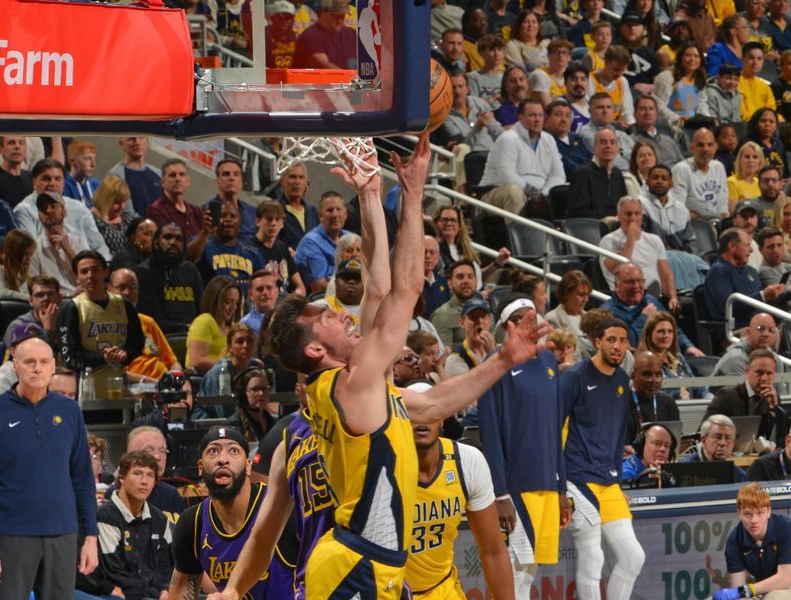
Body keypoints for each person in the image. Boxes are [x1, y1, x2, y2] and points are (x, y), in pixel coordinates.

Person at [209, 134, 551, 600]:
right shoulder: (355, 382)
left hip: (367, 564)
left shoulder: (358, 389)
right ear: (314, 351)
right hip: (356, 565)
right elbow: (405, 289)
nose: (344, 317)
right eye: (330, 317)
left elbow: (433, 398)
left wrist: (371, 195)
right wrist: (411, 198)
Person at [478, 296, 570, 595]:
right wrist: (500, 492)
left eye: (535, 316)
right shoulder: (496, 362)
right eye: (523, 318)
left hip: (547, 482)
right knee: (514, 575)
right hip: (517, 485)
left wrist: (562, 488)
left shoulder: (547, 359)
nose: (533, 321)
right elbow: (489, 432)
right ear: (510, 325)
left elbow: (555, 427)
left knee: (529, 572)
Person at [0, 336, 98, 599]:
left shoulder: (70, 410)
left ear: (53, 366)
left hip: (62, 534)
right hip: (9, 535)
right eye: (30, 362)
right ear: (15, 366)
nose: (37, 368)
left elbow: (83, 479)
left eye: (43, 362)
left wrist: (91, 538)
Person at [561, 318, 646, 600]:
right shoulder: (574, 378)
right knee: (592, 557)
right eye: (611, 339)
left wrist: (619, 483)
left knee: (633, 556)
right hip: (576, 478)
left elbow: (617, 436)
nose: (618, 346)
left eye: (623, 341)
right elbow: (553, 430)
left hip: (608, 481)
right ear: (597, 342)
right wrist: (560, 485)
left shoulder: (623, 380)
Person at [168, 426, 294, 600]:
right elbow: (181, 589)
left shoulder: (277, 505)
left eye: (233, 451)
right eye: (213, 451)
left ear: (248, 466)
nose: (222, 459)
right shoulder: (193, 522)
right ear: (200, 467)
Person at [406, 414, 513, 599]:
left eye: (428, 411)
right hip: (389, 590)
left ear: (441, 419)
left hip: (441, 588)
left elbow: (493, 549)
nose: (422, 419)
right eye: (415, 412)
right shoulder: (379, 463)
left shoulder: (466, 461)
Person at [79, 451, 173, 600]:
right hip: (123, 595)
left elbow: (166, 566)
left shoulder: (160, 519)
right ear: (121, 477)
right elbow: (114, 572)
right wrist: (155, 593)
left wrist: (165, 590)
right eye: (137, 473)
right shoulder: (105, 517)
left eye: (150, 475)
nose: (144, 481)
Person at [58, 250, 145, 398]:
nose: (90, 276)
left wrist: (126, 354)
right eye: (84, 271)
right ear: (77, 278)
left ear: (106, 272)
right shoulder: (71, 307)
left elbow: (137, 343)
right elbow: (69, 356)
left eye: (95, 269)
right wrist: (102, 358)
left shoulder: (125, 305)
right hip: (84, 391)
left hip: (119, 387)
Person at [479, 98, 566, 216]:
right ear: (520, 118)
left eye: (540, 115)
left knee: (565, 192)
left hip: (538, 193)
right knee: (514, 192)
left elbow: (558, 175)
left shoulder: (548, 139)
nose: (537, 120)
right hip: (495, 193)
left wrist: (544, 194)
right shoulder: (508, 138)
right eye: (532, 115)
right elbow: (507, 176)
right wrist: (533, 192)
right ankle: (520, 234)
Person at [15, 158, 111, 260]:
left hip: (85, 266)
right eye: (46, 179)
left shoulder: (79, 207)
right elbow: (31, 251)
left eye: (57, 179)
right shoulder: (24, 210)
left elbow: (99, 245)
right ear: (34, 182)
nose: (52, 183)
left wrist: (104, 266)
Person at [713, 483, 791, 599]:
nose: (754, 520)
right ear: (739, 514)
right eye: (747, 514)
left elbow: (784, 580)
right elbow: (739, 590)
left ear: (768, 512)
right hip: (761, 589)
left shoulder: (787, 528)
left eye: (760, 513)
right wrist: (740, 593)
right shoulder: (734, 540)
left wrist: (747, 590)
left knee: (775, 597)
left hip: (789, 586)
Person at [601, 262, 702, 355]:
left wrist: (688, 346)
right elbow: (625, 343)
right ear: (617, 286)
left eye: (639, 281)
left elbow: (672, 328)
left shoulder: (651, 301)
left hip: (667, 358)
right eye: (630, 282)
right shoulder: (608, 312)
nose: (636, 286)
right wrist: (644, 317)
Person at [108, 269, 186, 387]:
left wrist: (180, 381)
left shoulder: (147, 322)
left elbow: (172, 362)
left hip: (164, 386)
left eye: (133, 287)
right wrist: (155, 383)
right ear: (109, 290)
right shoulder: (105, 326)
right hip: (136, 387)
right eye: (121, 287)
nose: (127, 292)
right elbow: (113, 373)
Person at [704, 228, 791, 326]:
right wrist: (763, 295)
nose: (751, 250)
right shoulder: (718, 272)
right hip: (738, 329)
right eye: (747, 245)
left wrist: (789, 293)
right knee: (789, 327)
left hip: (761, 327)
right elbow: (728, 308)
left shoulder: (751, 271)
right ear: (732, 246)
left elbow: (766, 305)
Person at [599, 196, 679, 306]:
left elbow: (666, 275)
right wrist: (631, 239)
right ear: (619, 216)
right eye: (628, 214)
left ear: (642, 216)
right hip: (624, 299)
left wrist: (673, 298)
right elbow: (614, 268)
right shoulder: (608, 241)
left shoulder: (654, 240)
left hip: (654, 297)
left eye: (637, 214)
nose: (633, 218)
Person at [103, 426, 188, 523]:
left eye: (162, 450)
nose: (157, 457)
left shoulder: (171, 494)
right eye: (148, 450)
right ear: (130, 456)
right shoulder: (115, 495)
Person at [706, 348, 788, 445]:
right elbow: (704, 430)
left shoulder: (773, 399)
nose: (764, 378)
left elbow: (778, 440)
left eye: (769, 373)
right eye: (759, 373)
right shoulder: (726, 395)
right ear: (747, 371)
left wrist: (774, 409)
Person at [135, 223, 204, 335]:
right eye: (167, 237)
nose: (173, 242)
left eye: (178, 239)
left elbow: (202, 310)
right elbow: (153, 321)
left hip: (193, 336)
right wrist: (188, 327)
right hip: (162, 338)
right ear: (156, 243)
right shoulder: (143, 273)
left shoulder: (190, 270)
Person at [433, 205, 510, 290]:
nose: (449, 223)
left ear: (459, 225)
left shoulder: (465, 248)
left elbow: (479, 277)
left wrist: (498, 263)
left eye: (453, 220)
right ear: (436, 223)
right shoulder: (433, 250)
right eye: (444, 220)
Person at [637, 312, 711, 400]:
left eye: (670, 331)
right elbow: (650, 397)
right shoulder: (645, 362)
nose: (666, 336)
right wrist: (677, 396)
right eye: (661, 331)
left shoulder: (679, 358)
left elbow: (696, 387)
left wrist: (709, 397)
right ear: (649, 334)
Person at [194, 322, 261, 419]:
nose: (245, 345)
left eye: (250, 340)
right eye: (240, 341)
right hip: (209, 424)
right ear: (230, 347)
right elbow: (222, 411)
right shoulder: (219, 372)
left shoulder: (256, 368)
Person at [28, 192, 89, 296]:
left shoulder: (79, 242)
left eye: (53, 206)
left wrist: (68, 250)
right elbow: (34, 288)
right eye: (43, 208)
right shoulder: (33, 248)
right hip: (53, 303)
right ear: (39, 215)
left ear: (64, 212)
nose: (48, 210)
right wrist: (69, 295)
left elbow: (88, 277)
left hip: (82, 299)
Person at [197, 202, 265, 293]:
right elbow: (189, 259)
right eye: (223, 215)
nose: (228, 219)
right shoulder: (204, 246)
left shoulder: (252, 252)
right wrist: (205, 233)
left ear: (239, 221)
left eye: (233, 216)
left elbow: (263, 283)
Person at [566, 128, 628, 218]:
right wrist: (608, 219)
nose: (608, 146)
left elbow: (623, 207)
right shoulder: (583, 173)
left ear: (617, 149)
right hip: (591, 228)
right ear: (594, 147)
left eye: (612, 142)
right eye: (603, 142)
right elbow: (578, 212)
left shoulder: (617, 174)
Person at [249, 200, 306, 296]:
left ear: (282, 224)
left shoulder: (282, 247)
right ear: (257, 221)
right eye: (269, 219)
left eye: (277, 219)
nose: (273, 223)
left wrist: (290, 303)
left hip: (286, 303)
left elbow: (300, 288)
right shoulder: (248, 249)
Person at [670, 127, 730, 220]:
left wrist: (724, 218)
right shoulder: (681, 169)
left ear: (715, 147)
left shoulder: (719, 167)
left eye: (710, 145)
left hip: (718, 221)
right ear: (691, 148)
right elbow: (678, 208)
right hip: (693, 223)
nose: (706, 149)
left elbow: (723, 203)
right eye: (700, 145)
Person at [294, 191, 348, 293]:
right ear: (320, 216)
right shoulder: (310, 242)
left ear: (345, 214)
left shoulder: (351, 239)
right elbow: (319, 287)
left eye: (338, 209)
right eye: (329, 210)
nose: (335, 214)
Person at [186, 275, 242, 374]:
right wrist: (230, 366)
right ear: (214, 301)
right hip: (205, 379)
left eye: (236, 303)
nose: (233, 308)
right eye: (227, 302)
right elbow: (196, 361)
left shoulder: (233, 327)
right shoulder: (205, 321)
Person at [651, 42, 710, 132]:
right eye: (688, 55)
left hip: (693, 126)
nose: (692, 59)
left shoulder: (699, 80)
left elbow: (702, 105)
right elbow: (658, 105)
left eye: (696, 56)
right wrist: (678, 119)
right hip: (670, 126)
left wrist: (707, 121)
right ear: (680, 58)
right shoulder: (667, 77)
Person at [625, 351, 681, 443]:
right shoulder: (622, 404)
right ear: (633, 376)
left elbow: (675, 441)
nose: (653, 380)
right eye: (647, 374)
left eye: (658, 375)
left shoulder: (668, 403)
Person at [640, 164, 698, 253]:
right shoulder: (640, 205)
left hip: (680, 257)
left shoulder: (681, 209)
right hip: (651, 256)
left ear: (671, 183)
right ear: (647, 181)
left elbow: (690, 241)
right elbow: (640, 239)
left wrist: (690, 259)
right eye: (655, 178)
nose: (659, 181)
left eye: (664, 178)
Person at [146, 159, 205, 242]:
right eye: (172, 175)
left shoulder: (197, 211)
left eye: (182, 174)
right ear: (163, 182)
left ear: (188, 181)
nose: (177, 179)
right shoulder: (155, 211)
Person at [3, 274, 62, 355]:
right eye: (39, 295)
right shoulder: (18, 327)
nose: (45, 298)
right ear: (31, 301)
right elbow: (33, 361)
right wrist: (48, 330)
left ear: (59, 298)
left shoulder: (66, 320)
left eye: (50, 294)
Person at [680, 414, 749, 482]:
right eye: (717, 437)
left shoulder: (739, 476)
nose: (723, 443)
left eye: (728, 438)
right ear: (703, 440)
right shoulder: (685, 467)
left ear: (733, 443)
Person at [105, 136, 162, 217]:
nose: (137, 143)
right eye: (131, 139)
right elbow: (127, 213)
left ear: (147, 141)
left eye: (141, 138)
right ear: (121, 143)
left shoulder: (158, 173)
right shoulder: (116, 175)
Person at [579, 93, 635, 172]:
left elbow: (638, 157)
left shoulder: (622, 135)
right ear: (590, 111)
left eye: (609, 107)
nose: (605, 111)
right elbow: (609, 161)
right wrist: (633, 167)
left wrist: (621, 153)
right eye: (600, 107)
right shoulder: (586, 133)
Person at [293, 0, 355, 69]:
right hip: (320, 79)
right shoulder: (311, 35)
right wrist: (352, 78)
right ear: (324, 13)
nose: (340, 21)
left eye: (342, 16)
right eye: (336, 16)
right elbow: (323, 65)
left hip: (349, 78)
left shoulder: (351, 34)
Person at [206, 158, 258, 241]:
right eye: (226, 174)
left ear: (241, 181)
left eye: (236, 174)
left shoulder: (253, 212)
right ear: (217, 181)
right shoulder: (206, 211)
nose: (231, 178)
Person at [431, 258, 480, 346]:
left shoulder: (483, 310)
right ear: (450, 284)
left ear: (476, 281)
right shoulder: (442, 315)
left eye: (470, 276)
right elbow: (445, 356)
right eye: (460, 277)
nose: (466, 281)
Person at [444, 297, 495, 378]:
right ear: (462, 322)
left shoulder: (502, 349)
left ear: (490, 321)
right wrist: (493, 356)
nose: (480, 321)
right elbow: (478, 387)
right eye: (474, 317)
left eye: (483, 316)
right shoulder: (455, 360)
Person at [587, 45, 635, 128]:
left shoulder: (622, 81)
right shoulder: (591, 80)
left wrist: (630, 126)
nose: (619, 74)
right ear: (606, 62)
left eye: (622, 70)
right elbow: (588, 112)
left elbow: (627, 112)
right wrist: (613, 123)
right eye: (616, 70)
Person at [630, 95, 685, 168]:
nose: (648, 113)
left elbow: (684, 164)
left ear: (656, 114)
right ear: (635, 115)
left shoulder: (669, 140)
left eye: (651, 109)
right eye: (643, 109)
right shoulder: (632, 141)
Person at [544, 269, 592, 349]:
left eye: (587, 295)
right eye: (581, 295)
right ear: (566, 294)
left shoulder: (589, 317)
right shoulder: (552, 319)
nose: (586, 300)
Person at [545, 99, 592, 179]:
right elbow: (568, 167)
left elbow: (593, 160)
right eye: (558, 115)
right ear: (546, 119)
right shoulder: (544, 140)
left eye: (568, 116)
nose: (564, 119)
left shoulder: (578, 138)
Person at [276, 162, 318, 251]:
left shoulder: (313, 211)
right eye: (292, 177)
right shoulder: (275, 211)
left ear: (306, 182)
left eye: (301, 177)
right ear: (282, 181)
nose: (297, 182)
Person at [229, 366, 277, 444]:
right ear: (242, 393)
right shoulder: (232, 425)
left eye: (265, 389)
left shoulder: (275, 422)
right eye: (255, 389)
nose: (261, 393)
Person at [90, 176, 131, 256]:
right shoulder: (92, 221)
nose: (122, 207)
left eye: (124, 202)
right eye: (117, 202)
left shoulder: (127, 219)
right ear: (105, 199)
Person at [747, 107, 790, 178]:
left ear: (776, 126)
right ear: (755, 124)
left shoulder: (778, 144)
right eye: (763, 121)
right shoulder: (749, 144)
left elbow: (786, 173)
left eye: (771, 121)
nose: (767, 124)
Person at [528, 39, 573, 107]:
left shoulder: (572, 77)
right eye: (556, 52)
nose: (560, 55)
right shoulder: (539, 75)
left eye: (564, 52)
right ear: (548, 55)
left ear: (569, 57)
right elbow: (549, 108)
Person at [739, 41, 777, 121]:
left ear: (763, 61)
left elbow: (771, 110)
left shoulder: (765, 86)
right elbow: (740, 113)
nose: (755, 62)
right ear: (742, 59)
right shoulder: (735, 83)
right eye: (751, 58)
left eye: (759, 58)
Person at [467, 34, 507, 109]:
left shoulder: (506, 77)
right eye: (492, 50)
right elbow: (473, 106)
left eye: (499, 50)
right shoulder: (473, 77)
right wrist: (494, 98)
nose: (496, 54)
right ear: (481, 53)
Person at [0, 229, 33, 302]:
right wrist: (29, 298)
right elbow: (0, 293)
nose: (29, 258)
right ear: (13, 253)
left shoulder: (22, 274)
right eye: (26, 254)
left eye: (31, 254)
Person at [0, 135, 32, 208]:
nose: (17, 146)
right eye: (11, 143)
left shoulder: (32, 177)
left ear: (25, 150)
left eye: (21, 143)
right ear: (1, 150)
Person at [240, 270, 279, 335]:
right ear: (250, 294)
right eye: (260, 289)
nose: (265, 292)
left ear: (277, 292)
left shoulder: (288, 320)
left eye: (269, 288)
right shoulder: (245, 325)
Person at [63, 140, 100, 207]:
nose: (93, 164)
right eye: (87, 159)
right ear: (72, 161)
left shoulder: (97, 185)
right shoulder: (64, 186)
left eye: (94, 159)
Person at [422, 236, 450, 320]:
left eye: (432, 252)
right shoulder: (409, 282)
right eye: (424, 252)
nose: (428, 256)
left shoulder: (442, 282)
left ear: (438, 257)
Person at [563, 62, 592, 132]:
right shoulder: (561, 104)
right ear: (565, 83)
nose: (579, 83)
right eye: (573, 79)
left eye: (583, 79)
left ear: (588, 82)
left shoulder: (591, 103)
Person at [772, 50, 791, 122]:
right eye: (789, 64)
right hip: (786, 126)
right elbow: (778, 111)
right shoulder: (777, 85)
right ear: (782, 66)